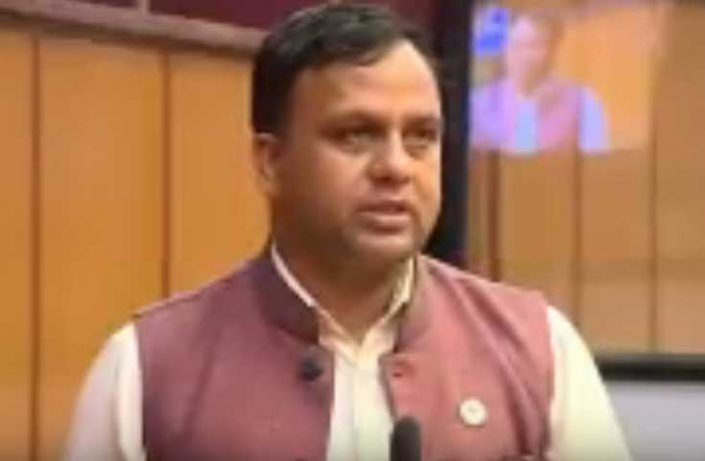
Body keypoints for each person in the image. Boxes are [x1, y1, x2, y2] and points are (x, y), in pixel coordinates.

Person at [64, 3, 629, 461]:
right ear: (270, 162)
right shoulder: (146, 371)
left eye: (421, 136)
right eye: (356, 135)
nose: (396, 167)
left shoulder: (539, 351)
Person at [471, 11, 609, 156]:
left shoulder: (583, 102)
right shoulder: (479, 103)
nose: (524, 56)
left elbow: (596, 163)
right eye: (516, 45)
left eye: (534, 45)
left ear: (552, 51)